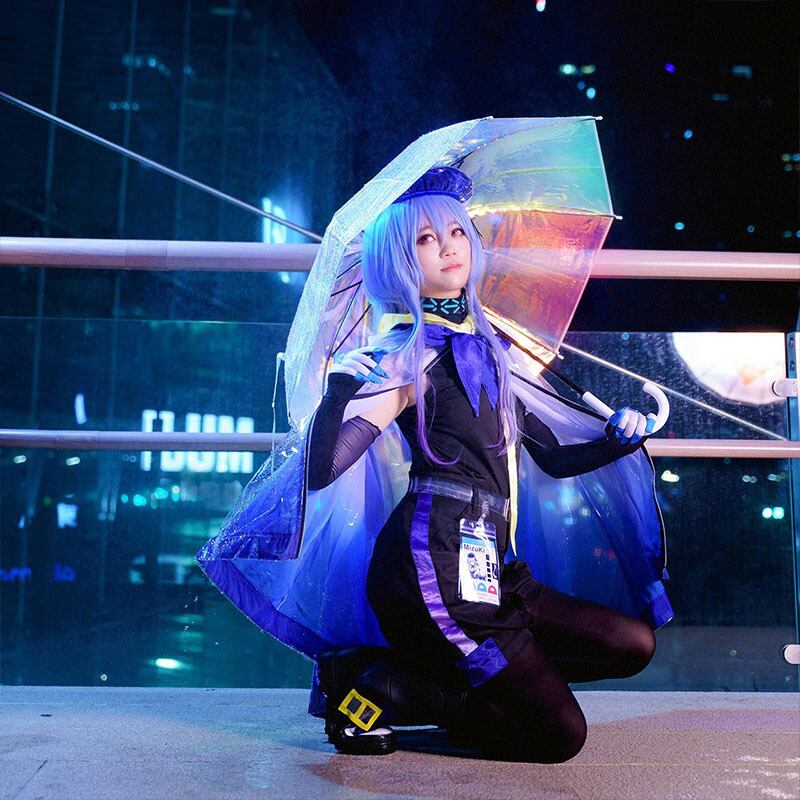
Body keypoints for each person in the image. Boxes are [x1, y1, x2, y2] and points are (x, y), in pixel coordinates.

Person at [305, 166, 668, 761]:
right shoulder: (405, 356)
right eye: (425, 239)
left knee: (630, 644)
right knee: (559, 736)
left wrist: (619, 439)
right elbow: (322, 471)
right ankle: (376, 684)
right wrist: (337, 393)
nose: (448, 247)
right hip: (433, 563)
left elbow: (552, 457)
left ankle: (450, 680)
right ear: (398, 260)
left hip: (488, 562)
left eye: (456, 232)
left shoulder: (493, 352)